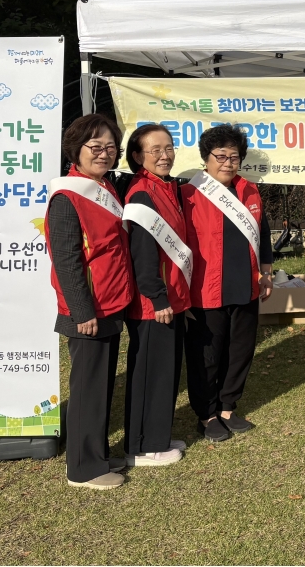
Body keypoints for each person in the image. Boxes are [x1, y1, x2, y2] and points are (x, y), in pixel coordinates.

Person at [45, 114, 133, 490]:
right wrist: (82, 312)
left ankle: (95, 454)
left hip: (112, 302)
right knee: (86, 389)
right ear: (75, 151)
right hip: (88, 311)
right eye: (95, 147)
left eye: (110, 147)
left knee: (99, 387)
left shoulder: (105, 187)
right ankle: (82, 468)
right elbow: (65, 260)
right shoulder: (68, 197)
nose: (104, 153)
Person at [182, 124, 274, 442]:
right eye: (220, 155)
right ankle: (206, 414)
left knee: (240, 351)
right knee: (206, 355)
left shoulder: (249, 190)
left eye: (234, 156)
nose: (227, 162)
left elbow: (263, 232)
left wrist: (267, 270)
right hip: (205, 289)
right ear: (206, 158)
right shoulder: (189, 193)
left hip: (245, 283)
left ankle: (227, 408)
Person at [122, 124, 191, 467]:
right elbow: (143, 253)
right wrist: (157, 297)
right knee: (151, 374)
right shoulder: (142, 193)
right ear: (137, 156)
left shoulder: (164, 187)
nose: (165, 156)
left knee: (163, 372)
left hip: (169, 297)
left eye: (169, 148)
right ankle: (144, 446)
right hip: (154, 303)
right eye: (155, 150)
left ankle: (155, 436)